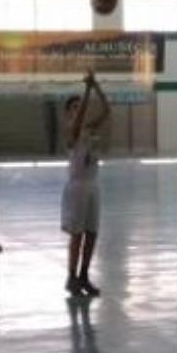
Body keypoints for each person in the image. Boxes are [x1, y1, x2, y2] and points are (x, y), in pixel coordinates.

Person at [62, 71, 110, 296]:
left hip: (93, 186)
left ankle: (83, 276)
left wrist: (97, 86)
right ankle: (71, 277)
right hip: (77, 187)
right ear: (68, 114)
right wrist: (88, 90)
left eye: (80, 106)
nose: (78, 109)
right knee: (77, 235)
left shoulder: (90, 131)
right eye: (74, 107)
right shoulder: (71, 132)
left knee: (92, 234)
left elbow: (107, 110)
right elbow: (79, 120)